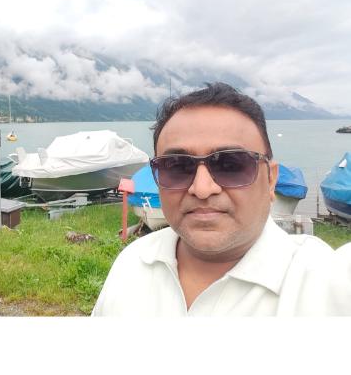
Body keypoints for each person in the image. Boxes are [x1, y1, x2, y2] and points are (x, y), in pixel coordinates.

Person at [92, 82, 351, 316]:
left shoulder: (325, 282)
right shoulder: (133, 262)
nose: (202, 189)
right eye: (177, 166)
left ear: (270, 180)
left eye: (231, 165)